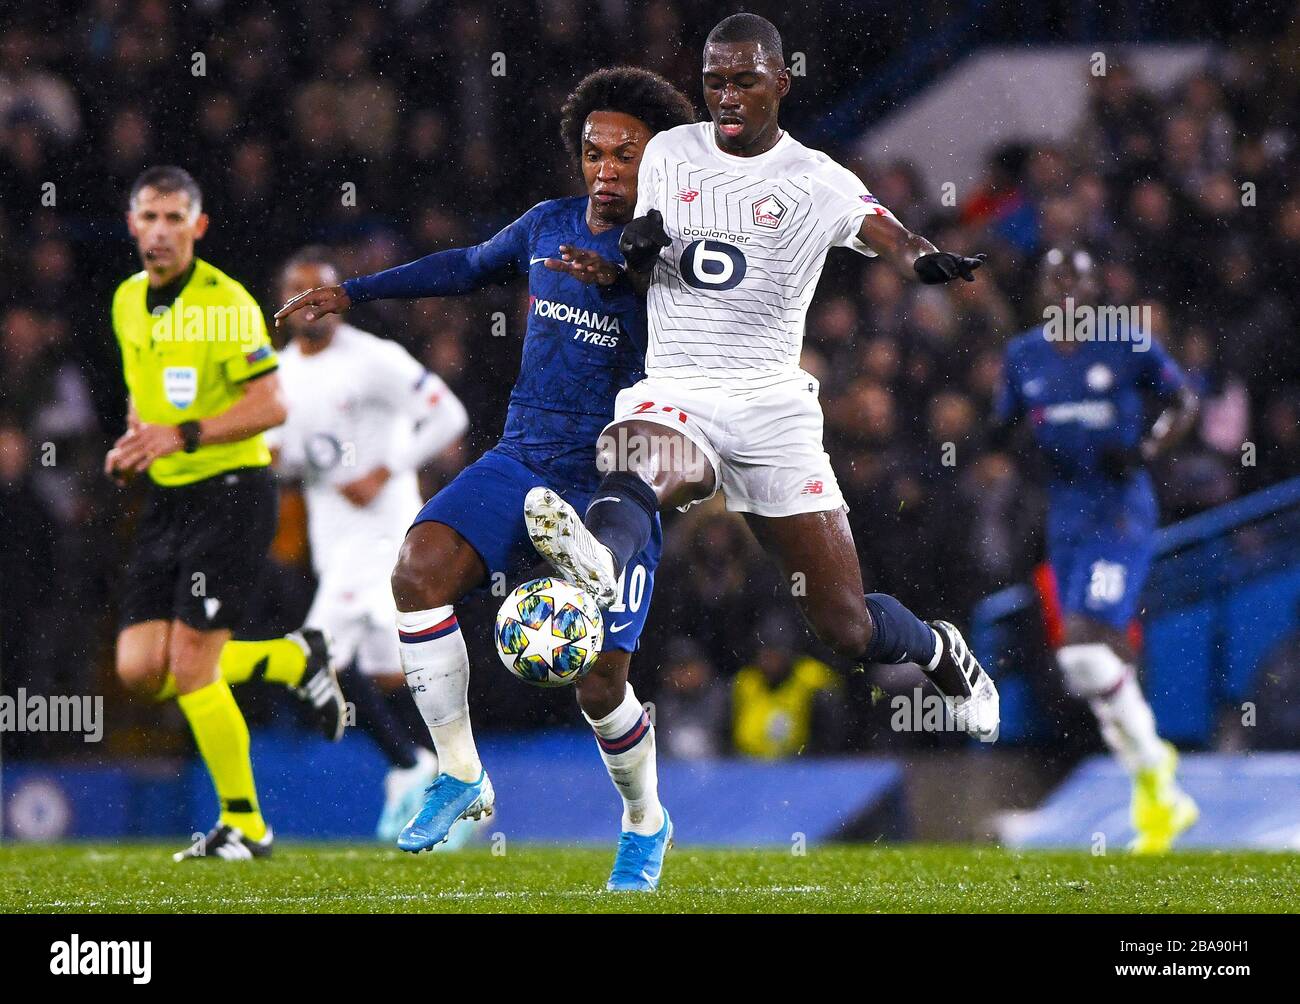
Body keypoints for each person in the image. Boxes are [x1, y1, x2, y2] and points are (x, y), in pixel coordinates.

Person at [275, 68, 695, 890]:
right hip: (524, 454)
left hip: (618, 470)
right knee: (416, 572)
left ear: (660, 162)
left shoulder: (679, 251)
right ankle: (461, 772)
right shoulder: (547, 225)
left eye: (627, 155)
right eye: (593, 152)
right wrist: (350, 293)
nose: (606, 169)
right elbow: (468, 265)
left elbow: (699, 335)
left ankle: (646, 821)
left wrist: (631, 281)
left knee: (600, 681)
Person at [523, 14, 999, 740]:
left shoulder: (814, 179)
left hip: (773, 408)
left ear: (781, 81)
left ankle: (939, 647)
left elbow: (892, 237)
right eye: (715, 82)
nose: (728, 97)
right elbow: (641, 251)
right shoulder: (672, 152)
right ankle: (597, 561)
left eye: (745, 81)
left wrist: (927, 261)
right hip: (679, 385)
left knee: (845, 627)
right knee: (636, 457)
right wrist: (636, 251)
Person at [106, 166, 344, 862]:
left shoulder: (227, 303)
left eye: (175, 218)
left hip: (233, 495)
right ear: (131, 224)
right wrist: (134, 441)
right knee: (138, 668)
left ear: (198, 227)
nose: (160, 231)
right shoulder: (125, 301)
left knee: (190, 668)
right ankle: (288, 658)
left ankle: (246, 824)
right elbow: (142, 398)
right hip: (168, 499)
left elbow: (272, 405)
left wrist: (179, 435)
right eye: (149, 217)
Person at [994, 247, 1201, 853]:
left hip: (1119, 512)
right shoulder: (1023, 355)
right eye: (1053, 283)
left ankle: (1156, 774)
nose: (1064, 296)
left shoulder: (1126, 343)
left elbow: (1183, 401)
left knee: (1086, 656)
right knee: (1089, 664)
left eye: (1075, 284)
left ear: (1094, 292)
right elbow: (1003, 425)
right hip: (1065, 518)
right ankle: (1158, 793)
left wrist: (1147, 450)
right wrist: (1001, 447)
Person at [272, 246, 470, 841]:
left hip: (383, 533)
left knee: (312, 655)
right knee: (384, 673)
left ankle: (423, 772)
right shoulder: (278, 373)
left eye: (319, 291)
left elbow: (448, 416)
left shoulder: (375, 359)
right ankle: (430, 771)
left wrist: (386, 467)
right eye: (297, 292)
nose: (310, 305)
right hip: (330, 540)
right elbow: (283, 456)